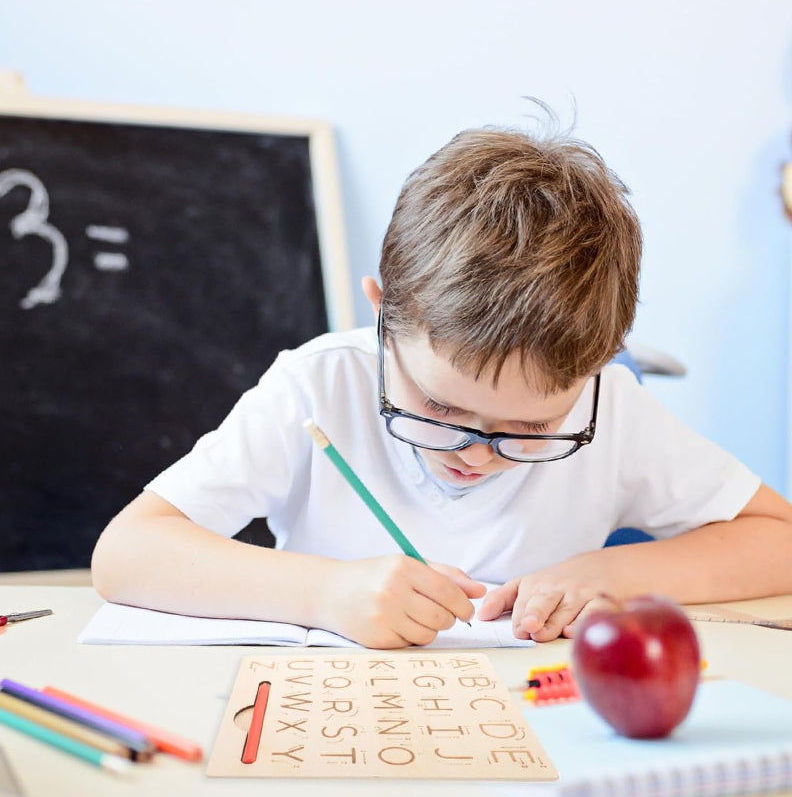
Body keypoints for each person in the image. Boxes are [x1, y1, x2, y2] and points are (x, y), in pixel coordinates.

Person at [91, 125, 792, 649]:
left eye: (529, 428)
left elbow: (777, 539)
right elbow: (126, 554)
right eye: (440, 407)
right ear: (383, 313)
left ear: (601, 363)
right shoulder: (318, 386)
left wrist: (610, 574)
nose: (475, 453)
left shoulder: (610, 407)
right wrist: (326, 592)